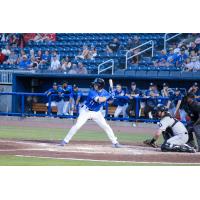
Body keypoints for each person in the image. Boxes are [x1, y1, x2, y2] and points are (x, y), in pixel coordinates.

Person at [60, 78, 121, 148]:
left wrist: (112, 97)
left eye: (96, 84)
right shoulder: (92, 92)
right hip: (85, 111)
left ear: (100, 86)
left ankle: (115, 142)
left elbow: (110, 101)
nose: (94, 85)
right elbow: (99, 100)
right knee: (77, 125)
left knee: (106, 126)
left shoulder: (106, 93)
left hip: (97, 113)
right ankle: (65, 140)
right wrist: (109, 96)